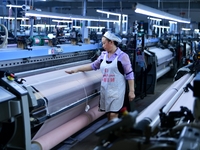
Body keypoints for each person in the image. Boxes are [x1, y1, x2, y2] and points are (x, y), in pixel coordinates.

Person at [65, 31, 135, 121]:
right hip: (105, 89)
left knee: (113, 114)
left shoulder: (122, 56)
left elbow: (130, 74)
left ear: (111, 42)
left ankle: (111, 133)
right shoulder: (103, 56)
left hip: (117, 91)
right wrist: (76, 69)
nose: (103, 46)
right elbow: (93, 66)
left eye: (104, 43)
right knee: (109, 114)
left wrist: (132, 91)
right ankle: (111, 131)